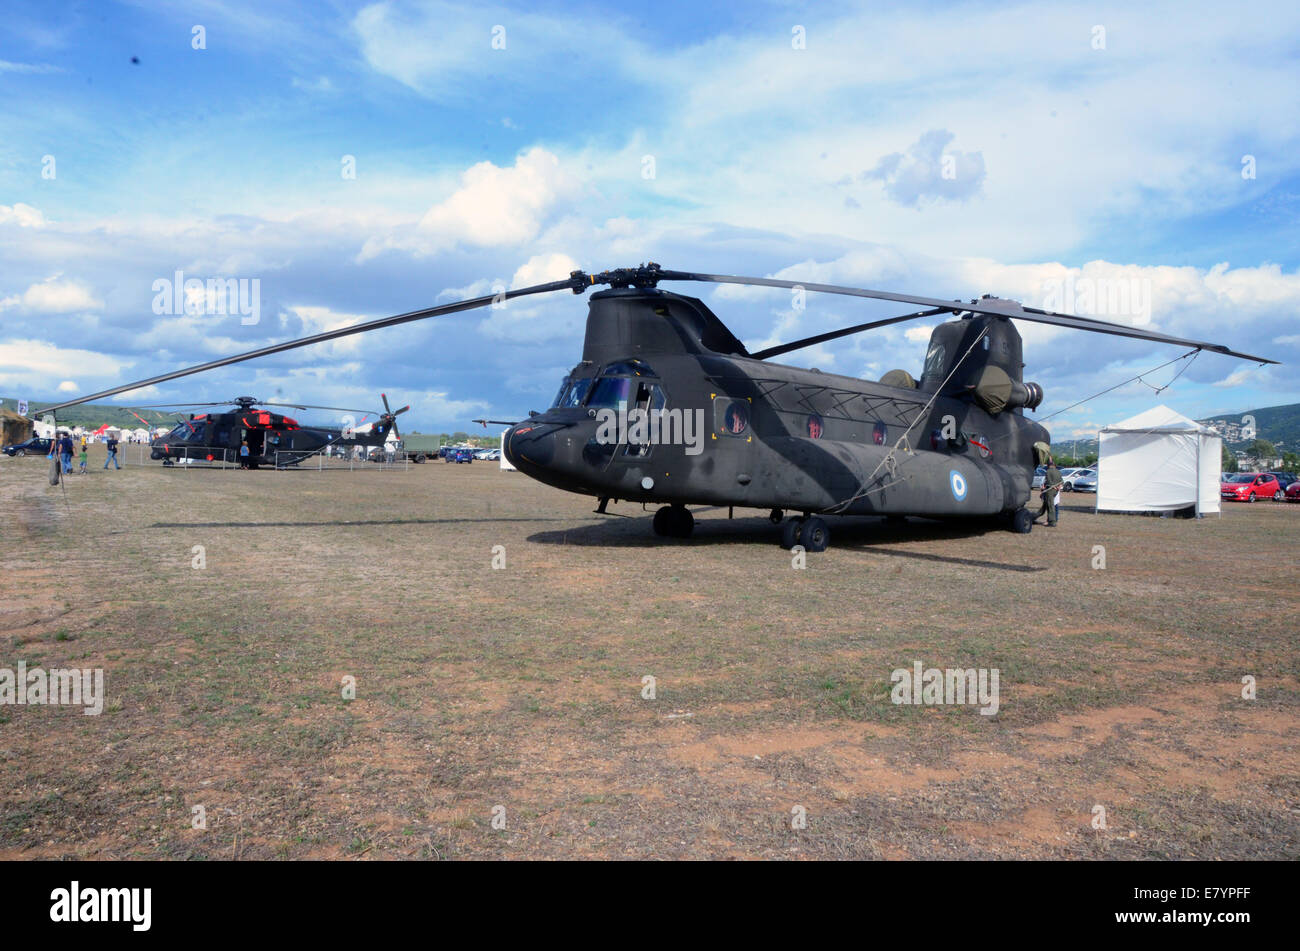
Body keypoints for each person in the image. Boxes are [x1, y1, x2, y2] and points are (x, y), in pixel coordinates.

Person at [1036, 457, 1062, 526]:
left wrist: (1044, 488)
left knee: (1050, 506)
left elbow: (1048, 482)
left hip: (1050, 491)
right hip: (1056, 491)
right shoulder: (1058, 471)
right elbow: (1061, 481)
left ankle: (1052, 522)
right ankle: (1036, 516)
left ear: (1048, 465)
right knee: (1049, 506)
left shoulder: (1048, 471)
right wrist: (1058, 487)